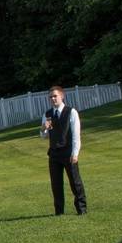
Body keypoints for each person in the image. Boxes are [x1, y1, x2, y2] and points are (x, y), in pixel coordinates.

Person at [40, 85, 87, 215]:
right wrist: (43, 128)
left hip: (68, 153)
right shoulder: (47, 114)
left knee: (75, 182)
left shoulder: (71, 112)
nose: (53, 99)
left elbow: (76, 136)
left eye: (55, 96)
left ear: (62, 96)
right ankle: (59, 212)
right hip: (54, 153)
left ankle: (81, 209)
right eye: (50, 97)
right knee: (56, 184)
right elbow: (44, 136)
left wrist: (75, 153)